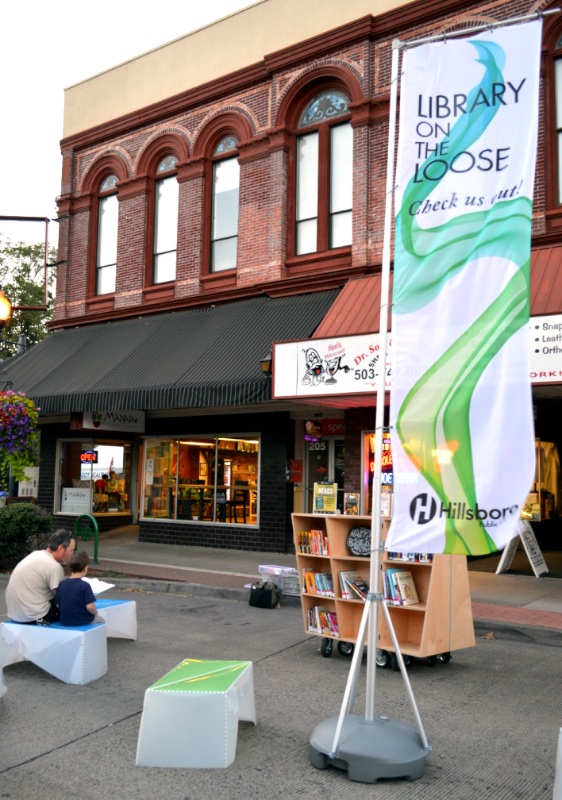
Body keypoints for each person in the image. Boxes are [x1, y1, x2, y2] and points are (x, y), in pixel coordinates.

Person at [5, 530, 76, 624]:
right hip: (35, 616)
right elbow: (60, 597)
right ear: (61, 548)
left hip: (16, 614)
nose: (72, 554)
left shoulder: (36, 554)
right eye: (71, 550)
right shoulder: (54, 566)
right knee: (73, 610)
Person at [55, 551, 98, 626]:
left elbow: (58, 603)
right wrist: (96, 613)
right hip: (82, 620)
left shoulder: (62, 584)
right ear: (85, 568)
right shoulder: (85, 586)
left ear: (69, 567)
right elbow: (90, 606)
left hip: (64, 620)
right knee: (101, 620)